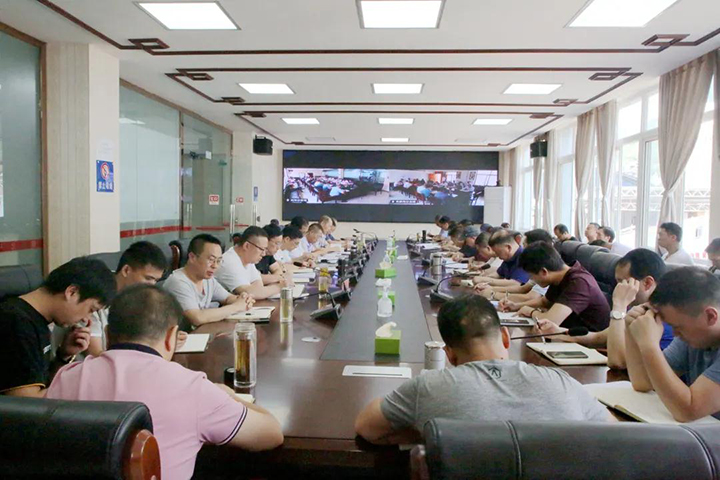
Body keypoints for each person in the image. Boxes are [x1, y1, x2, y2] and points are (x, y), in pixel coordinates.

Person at [47, 285, 284, 479]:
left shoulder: (68, 377)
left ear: (107, 335)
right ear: (172, 336)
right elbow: (271, 434)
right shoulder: (192, 388)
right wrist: (227, 395)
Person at [354, 295, 613, 444]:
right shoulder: (560, 381)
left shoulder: (429, 388)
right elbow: (612, 432)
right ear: (505, 337)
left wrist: (425, 432)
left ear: (449, 354)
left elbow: (366, 427)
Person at [535, 248, 671, 369]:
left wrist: (619, 307)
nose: (617, 288)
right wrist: (560, 333)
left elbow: (618, 362)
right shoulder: (640, 307)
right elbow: (599, 337)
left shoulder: (663, 317)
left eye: (622, 282)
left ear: (647, 283)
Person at [0, 257, 116, 397]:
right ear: (72, 292)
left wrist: (63, 355)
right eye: (91, 310)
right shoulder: (16, 323)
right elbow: (26, 402)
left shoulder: (38, 321)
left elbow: (42, 385)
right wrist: (83, 385)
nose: (86, 319)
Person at [625, 268, 720, 421]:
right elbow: (643, 383)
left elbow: (687, 412)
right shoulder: (693, 336)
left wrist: (650, 346)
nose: (675, 334)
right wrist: (632, 329)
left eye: (678, 327)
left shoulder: (692, 336)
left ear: (710, 316)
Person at [55, 241, 170, 358]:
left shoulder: (140, 299)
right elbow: (96, 354)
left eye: (156, 280)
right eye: (148, 278)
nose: (152, 285)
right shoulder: (96, 297)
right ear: (126, 270)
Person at [500, 242, 610, 332]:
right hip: (565, 336)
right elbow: (544, 302)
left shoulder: (579, 282)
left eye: (532, 276)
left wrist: (530, 311)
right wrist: (516, 306)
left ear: (544, 272)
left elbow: (550, 321)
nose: (532, 280)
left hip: (588, 344)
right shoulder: (561, 276)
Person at [163, 234, 253, 330]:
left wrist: (244, 299)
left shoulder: (208, 280)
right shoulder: (178, 282)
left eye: (218, 261)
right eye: (211, 260)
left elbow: (228, 298)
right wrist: (236, 307)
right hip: (179, 337)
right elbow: (197, 317)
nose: (215, 266)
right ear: (192, 257)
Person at [216, 226, 293, 300]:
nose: (263, 254)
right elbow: (250, 292)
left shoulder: (248, 259)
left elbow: (258, 285)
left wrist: (259, 292)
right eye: (261, 249)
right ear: (247, 246)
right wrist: (279, 287)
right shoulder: (229, 262)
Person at [475, 229, 552, 302]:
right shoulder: (535, 264)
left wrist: (494, 294)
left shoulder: (544, 267)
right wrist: (491, 288)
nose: (523, 250)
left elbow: (529, 296)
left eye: (525, 246)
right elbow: (522, 288)